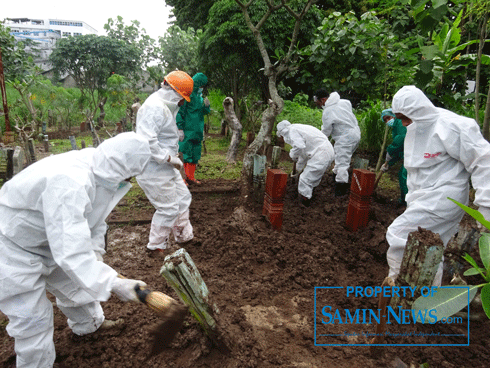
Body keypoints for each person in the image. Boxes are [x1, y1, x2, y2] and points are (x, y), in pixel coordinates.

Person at [0, 132, 152, 368]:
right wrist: (113, 282)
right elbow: (71, 254)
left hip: (51, 239)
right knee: (33, 320)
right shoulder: (69, 182)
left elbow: (94, 220)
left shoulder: (102, 168)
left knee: (77, 287)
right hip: (13, 245)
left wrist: (96, 255)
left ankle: (90, 326)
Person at [386, 85, 490, 286]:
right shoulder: (415, 128)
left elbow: (483, 160)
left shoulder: (452, 126)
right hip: (423, 198)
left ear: (418, 111)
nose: (402, 122)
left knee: (399, 234)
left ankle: (396, 284)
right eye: (399, 117)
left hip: (444, 198)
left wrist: (486, 204)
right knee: (431, 248)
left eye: (405, 117)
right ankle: (428, 300)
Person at [135, 70, 195, 254]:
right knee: (168, 209)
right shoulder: (154, 108)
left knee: (183, 198)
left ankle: (183, 236)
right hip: (153, 169)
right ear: (173, 92)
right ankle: (156, 247)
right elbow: (147, 141)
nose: (182, 102)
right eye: (181, 98)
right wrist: (169, 158)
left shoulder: (163, 107)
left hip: (165, 167)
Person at [313, 89, 361, 196]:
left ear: (323, 100)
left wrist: (318, 140)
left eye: (319, 103)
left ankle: (340, 189)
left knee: (343, 162)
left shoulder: (328, 111)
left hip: (345, 137)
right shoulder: (344, 102)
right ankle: (335, 177)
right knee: (341, 158)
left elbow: (326, 131)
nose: (319, 106)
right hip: (356, 133)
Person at [276, 120, 335, 207]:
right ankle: (308, 199)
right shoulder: (299, 129)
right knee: (311, 179)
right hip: (325, 152)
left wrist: (293, 154)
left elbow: (299, 146)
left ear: (283, 132)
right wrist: (297, 170)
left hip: (321, 153)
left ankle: (303, 205)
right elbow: (303, 155)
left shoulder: (292, 131)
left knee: (305, 179)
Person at [177, 72, 211, 185]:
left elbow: (201, 113)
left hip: (197, 131)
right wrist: (180, 127)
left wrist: (206, 107)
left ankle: (190, 177)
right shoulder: (187, 95)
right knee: (185, 153)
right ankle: (182, 178)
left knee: (195, 154)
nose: (202, 88)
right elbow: (180, 112)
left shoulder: (199, 97)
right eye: (201, 85)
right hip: (187, 130)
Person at [379, 108, 408, 207]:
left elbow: (401, 139)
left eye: (388, 118)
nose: (387, 121)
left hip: (417, 151)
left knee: (404, 176)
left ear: (393, 115)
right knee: (403, 176)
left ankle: (407, 202)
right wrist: (389, 163)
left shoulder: (400, 122)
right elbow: (400, 152)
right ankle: (405, 200)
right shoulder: (396, 126)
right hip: (408, 152)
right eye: (385, 120)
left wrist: (390, 150)